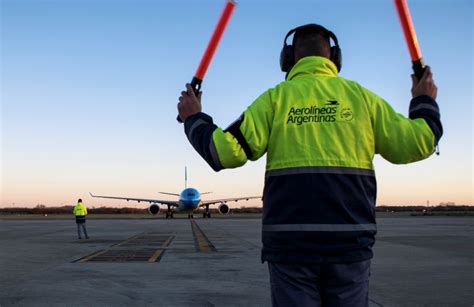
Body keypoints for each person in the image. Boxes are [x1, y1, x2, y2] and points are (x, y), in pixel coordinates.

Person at [177, 24, 442, 306]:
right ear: (335, 58)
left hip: (291, 245)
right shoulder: (363, 100)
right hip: (349, 244)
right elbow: (420, 142)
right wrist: (423, 100)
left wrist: (194, 118)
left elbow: (223, 153)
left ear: (288, 59)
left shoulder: (275, 99)